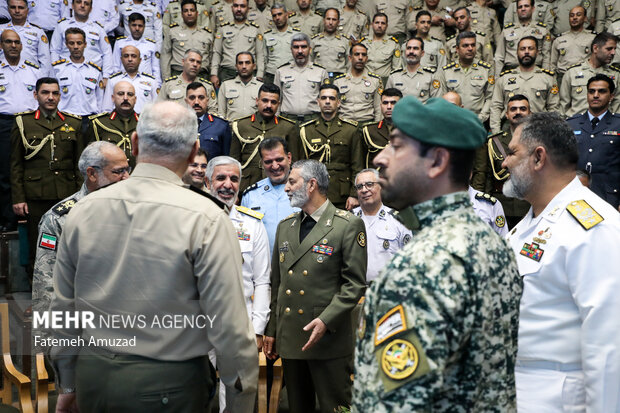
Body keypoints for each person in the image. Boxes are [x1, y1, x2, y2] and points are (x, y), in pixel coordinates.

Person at [50, 101, 258, 412]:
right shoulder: (207, 218)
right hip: (168, 383)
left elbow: (62, 308)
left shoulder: (82, 211)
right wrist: (241, 402)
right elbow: (229, 327)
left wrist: (67, 382)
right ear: (194, 151)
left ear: (133, 144)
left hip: (95, 377)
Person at [353, 97, 522, 412]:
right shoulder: (488, 242)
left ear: (437, 161)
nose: (379, 158)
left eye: (397, 145)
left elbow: (401, 403)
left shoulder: (425, 262)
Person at [502, 112, 620, 412]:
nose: (504, 163)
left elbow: (608, 344)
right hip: (516, 389)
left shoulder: (594, 226)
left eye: (513, 153)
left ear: (538, 158)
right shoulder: (526, 226)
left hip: (558, 396)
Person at [263, 159, 367, 413]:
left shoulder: (347, 224)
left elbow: (354, 284)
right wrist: (273, 330)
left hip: (327, 338)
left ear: (311, 185)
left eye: (292, 181)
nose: (286, 188)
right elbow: (278, 284)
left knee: (336, 407)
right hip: (292, 338)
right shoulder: (286, 226)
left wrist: (326, 319)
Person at [32, 142, 130, 326]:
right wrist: (46, 343)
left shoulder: (134, 210)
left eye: (127, 169)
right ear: (92, 174)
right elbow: (45, 282)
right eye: (119, 172)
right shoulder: (59, 219)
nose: (127, 177)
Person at [205, 155, 270, 413]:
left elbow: (263, 280)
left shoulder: (252, 225)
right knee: (196, 391)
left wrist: (257, 329)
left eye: (234, 179)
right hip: (199, 322)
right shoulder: (193, 219)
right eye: (221, 178)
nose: (227, 184)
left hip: (240, 323)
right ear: (208, 182)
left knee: (238, 394)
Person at [10, 77, 83, 276]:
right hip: (36, 196)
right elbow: (16, 164)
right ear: (36, 95)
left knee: (68, 243)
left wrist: (81, 197)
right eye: (45, 93)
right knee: (40, 245)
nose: (50, 97)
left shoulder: (73, 123)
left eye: (55, 93)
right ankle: (38, 297)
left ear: (60, 96)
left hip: (66, 195)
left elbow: (79, 166)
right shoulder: (23, 123)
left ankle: (66, 292)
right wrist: (18, 198)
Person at [0, 29, 42, 231]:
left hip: (29, 123)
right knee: (6, 172)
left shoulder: (33, 71)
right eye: (8, 42)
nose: (13, 45)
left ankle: (33, 215)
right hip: (4, 123)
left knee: (31, 169)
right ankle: (9, 219)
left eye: (17, 42)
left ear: (22, 45)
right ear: (1, 45)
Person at [299, 84, 364, 210]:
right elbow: (300, 166)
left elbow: (357, 166)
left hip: (342, 195)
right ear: (318, 102)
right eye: (323, 98)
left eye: (332, 98)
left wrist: (354, 194)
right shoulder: (306, 130)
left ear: (338, 102)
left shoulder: (351, 130)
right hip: (314, 193)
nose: (327, 102)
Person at [473, 94, 532, 229]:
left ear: (530, 113)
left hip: (529, 204)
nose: (518, 112)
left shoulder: (541, 141)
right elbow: (485, 175)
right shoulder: (494, 142)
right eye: (513, 109)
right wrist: (481, 205)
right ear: (506, 114)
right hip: (501, 204)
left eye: (523, 109)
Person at [230, 83, 299, 192]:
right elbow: (233, 162)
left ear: (278, 104)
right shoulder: (241, 125)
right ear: (257, 101)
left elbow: (295, 164)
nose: (268, 106)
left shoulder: (288, 127)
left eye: (273, 102)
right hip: (247, 186)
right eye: (265, 101)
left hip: (279, 187)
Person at [566, 74, 620, 209]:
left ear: (611, 96)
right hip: (575, 196)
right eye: (591, 91)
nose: (595, 95)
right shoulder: (571, 124)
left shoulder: (618, 124)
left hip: (609, 197)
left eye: (601, 91)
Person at [352, 168, 411, 283]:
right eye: (359, 187)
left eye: (369, 184)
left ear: (381, 187)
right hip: (354, 292)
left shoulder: (398, 221)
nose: (364, 190)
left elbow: (409, 261)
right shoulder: (347, 219)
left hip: (387, 291)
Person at [241, 136, 299, 252]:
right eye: (268, 162)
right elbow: (243, 236)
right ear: (262, 163)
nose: (275, 166)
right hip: (261, 265)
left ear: (289, 158)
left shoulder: (304, 191)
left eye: (279, 160)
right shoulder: (251, 195)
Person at [490, 36, 559, 132]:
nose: (526, 52)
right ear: (517, 52)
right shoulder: (504, 78)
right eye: (522, 49)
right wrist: (496, 132)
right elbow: (496, 107)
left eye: (530, 48)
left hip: (540, 129)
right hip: (509, 129)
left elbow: (553, 109)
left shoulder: (548, 78)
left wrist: (552, 132)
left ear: (537, 52)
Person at [438, 31, 494, 124]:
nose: (470, 48)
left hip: (477, 121)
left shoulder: (486, 70)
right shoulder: (446, 71)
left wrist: (480, 118)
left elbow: (490, 97)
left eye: (473, 45)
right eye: (465, 46)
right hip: (452, 121)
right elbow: (441, 99)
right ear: (457, 49)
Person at [51, 0, 114, 81]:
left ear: (91, 8)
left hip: (93, 76)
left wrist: (106, 76)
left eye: (86, 3)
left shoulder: (98, 29)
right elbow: (55, 51)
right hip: (66, 75)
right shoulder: (62, 26)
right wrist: (56, 71)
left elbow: (107, 53)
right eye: (79, 2)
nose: (82, 5)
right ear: (72, 5)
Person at [560, 31, 620, 117]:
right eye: (609, 49)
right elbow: (564, 106)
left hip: (605, 126)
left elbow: (617, 107)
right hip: (576, 125)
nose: (613, 53)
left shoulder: (616, 75)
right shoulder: (572, 72)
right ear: (595, 48)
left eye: (614, 49)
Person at [52, 27, 104, 120]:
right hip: (64, 117)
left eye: (79, 43)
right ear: (66, 45)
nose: (75, 47)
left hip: (89, 118)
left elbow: (100, 99)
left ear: (85, 44)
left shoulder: (95, 71)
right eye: (72, 43)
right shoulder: (57, 69)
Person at [210, 0, 265, 87]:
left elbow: (260, 54)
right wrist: (213, 74)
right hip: (227, 73)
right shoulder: (223, 29)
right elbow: (216, 52)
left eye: (242, 6)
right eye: (236, 6)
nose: (239, 9)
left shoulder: (255, 29)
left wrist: (260, 74)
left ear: (248, 9)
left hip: (250, 74)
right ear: (232, 8)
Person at [275, 32, 327, 122]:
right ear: (291, 49)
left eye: (303, 47)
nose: (300, 51)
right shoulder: (281, 71)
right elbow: (276, 100)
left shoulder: (321, 72)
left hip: (313, 120)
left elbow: (326, 100)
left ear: (310, 49)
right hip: (286, 120)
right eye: (296, 47)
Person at [86, 81, 140, 167]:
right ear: (113, 98)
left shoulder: (144, 123)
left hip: (138, 177)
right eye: (121, 94)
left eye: (130, 94)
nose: (125, 98)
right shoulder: (99, 123)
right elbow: (90, 160)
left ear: (135, 99)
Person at [495, 0, 552, 75]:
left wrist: (545, 76)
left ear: (533, 8)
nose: (523, 9)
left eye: (526, 6)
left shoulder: (543, 30)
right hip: (511, 72)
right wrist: (497, 78)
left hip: (535, 72)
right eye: (520, 7)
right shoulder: (507, 30)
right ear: (517, 11)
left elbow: (546, 57)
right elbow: (499, 57)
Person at [161, 0, 213, 79]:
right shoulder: (173, 32)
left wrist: (213, 75)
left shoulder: (207, 34)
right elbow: (165, 55)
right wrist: (166, 78)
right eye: (186, 11)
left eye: (192, 10)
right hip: (178, 74)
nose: (189, 13)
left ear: (197, 13)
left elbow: (212, 57)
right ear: (181, 14)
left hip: (202, 75)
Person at [333, 43, 382, 123]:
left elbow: (378, 108)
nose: (360, 58)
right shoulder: (339, 81)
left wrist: (376, 128)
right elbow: (334, 108)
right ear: (350, 58)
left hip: (367, 123)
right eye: (357, 54)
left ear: (366, 58)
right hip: (344, 124)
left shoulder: (375, 80)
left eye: (363, 55)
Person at [157, 49, 218, 113]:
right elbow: (159, 109)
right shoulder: (169, 85)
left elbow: (213, 111)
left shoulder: (207, 86)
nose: (195, 64)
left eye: (198, 62)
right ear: (183, 62)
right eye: (192, 60)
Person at [0, 0, 51, 74]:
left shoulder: (37, 32)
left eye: (21, 8)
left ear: (27, 10)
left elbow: (45, 60)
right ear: (8, 9)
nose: (17, 11)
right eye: (13, 7)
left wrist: (42, 80)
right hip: (4, 74)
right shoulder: (1, 30)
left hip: (31, 75)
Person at [103, 45, 158, 114]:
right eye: (126, 56)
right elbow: (107, 109)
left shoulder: (151, 81)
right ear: (121, 59)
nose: (130, 59)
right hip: (119, 122)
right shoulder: (113, 81)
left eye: (133, 56)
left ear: (140, 60)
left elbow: (157, 108)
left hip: (143, 122)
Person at [386, 37, 441, 104]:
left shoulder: (431, 76)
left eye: (415, 48)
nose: (411, 51)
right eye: (409, 48)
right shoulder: (394, 76)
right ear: (404, 52)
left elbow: (437, 104)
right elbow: (387, 102)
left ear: (422, 53)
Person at [186, 81, 231, 160]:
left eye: (201, 97)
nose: (196, 102)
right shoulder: (175, 125)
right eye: (192, 98)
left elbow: (226, 158)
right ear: (186, 101)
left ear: (207, 100)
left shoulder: (221, 125)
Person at [113, 13, 161, 85]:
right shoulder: (120, 43)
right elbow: (115, 67)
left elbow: (156, 70)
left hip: (145, 85)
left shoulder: (151, 45)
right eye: (134, 25)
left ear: (144, 27)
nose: (137, 28)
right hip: (124, 83)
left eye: (140, 26)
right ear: (129, 26)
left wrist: (158, 87)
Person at [549, 6, 595, 82]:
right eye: (572, 15)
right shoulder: (559, 39)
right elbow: (552, 64)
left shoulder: (593, 38)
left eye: (578, 15)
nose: (574, 18)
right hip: (563, 77)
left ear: (585, 18)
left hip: (585, 77)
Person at [361, 87, 401, 168]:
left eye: (393, 103)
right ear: (380, 105)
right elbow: (360, 163)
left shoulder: (410, 131)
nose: (389, 107)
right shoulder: (369, 131)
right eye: (385, 103)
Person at [217, 51, 263, 120]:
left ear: (254, 66)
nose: (244, 66)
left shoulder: (261, 87)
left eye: (247, 63)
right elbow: (221, 114)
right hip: (231, 128)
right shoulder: (226, 85)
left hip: (254, 129)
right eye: (240, 63)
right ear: (236, 66)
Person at [361, 12, 402, 83]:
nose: (379, 25)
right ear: (372, 24)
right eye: (377, 22)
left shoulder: (393, 44)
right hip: (365, 80)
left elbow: (397, 68)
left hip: (384, 81)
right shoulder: (363, 43)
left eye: (383, 23)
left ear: (386, 26)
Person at [263, 3, 298, 84]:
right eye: (274, 15)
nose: (277, 18)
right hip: (271, 75)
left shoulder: (296, 34)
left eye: (280, 14)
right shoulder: (267, 35)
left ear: (286, 15)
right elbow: (264, 58)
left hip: (291, 73)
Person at [311, 8, 350, 78]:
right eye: (328, 19)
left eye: (334, 19)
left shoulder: (345, 41)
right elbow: (309, 63)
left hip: (339, 78)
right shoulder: (314, 41)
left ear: (338, 22)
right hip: (318, 77)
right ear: (323, 20)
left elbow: (349, 65)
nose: (331, 22)